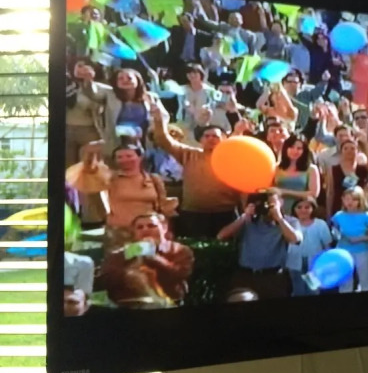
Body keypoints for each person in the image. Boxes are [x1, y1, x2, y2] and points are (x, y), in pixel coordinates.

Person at [150, 100, 241, 237]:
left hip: (225, 214)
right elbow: (163, 140)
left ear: (224, 138)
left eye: (215, 136)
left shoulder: (232, 157)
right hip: (193, 214)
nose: (211, 139)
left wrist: (238, 128)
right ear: (201, 140)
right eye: (207, 136)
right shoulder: (189, 154)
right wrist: (159, 120)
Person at [218, 190, 302, 299]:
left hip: (273, 277)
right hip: (246, 275)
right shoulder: (248, 221)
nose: (267, 207)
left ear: (281, 202)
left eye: (271, 204)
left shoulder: (290, 221)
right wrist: (244, 216)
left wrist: (279, 219)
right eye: (264, 204)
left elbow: (295, 240)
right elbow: (221, 236)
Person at [100, 213, 194, 307]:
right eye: (140, 227)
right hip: (131, 303)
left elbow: (182, 273)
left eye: (151, 225)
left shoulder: (178, 250)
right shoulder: (123, 253)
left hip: (168, 302)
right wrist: (128, 262)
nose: (145, 230)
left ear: (164, 228)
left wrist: (154, 258)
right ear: (134, 232)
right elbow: (106, 279)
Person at [331, 186, 368, 293]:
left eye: (354, 199)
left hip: (362, 251)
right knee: (345, 280)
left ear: (360, 200)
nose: (350, 202)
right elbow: (334, 229)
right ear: (343, 199)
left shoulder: (367, 216)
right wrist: (337, 235)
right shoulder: (338, 216)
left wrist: (359, 239)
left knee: (365, 276)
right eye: (347, 199)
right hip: (343, 251)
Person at [285, 197, 333, 296]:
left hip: (315, 263)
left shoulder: (320, 224)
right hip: (294, 262)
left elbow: (327, 245)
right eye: (299, 207)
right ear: (294, 209)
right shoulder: (290, 223)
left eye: (307, 207)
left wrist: (326, 263)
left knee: (313, 290)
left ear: (313, 209)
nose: (303, 210)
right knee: (298, 290)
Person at [273, 134, 320, 215]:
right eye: (291, 147)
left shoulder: (311, 169)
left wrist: (284, 192)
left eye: (299, 148)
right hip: (280, 210)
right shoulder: (276, 168)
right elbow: (271, 189)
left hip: (302, 212)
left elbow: (313, 193)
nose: (295, 151)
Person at [325, 140, 368, 218]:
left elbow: (366, 191)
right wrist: (328, 213)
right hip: (338, 207)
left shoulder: (363, 170)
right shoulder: (333, 169)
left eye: (352, 148)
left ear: (357, 151)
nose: (349, 151)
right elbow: (330, 192)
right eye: (346, 148)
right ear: (341, 152)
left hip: (358, 209)